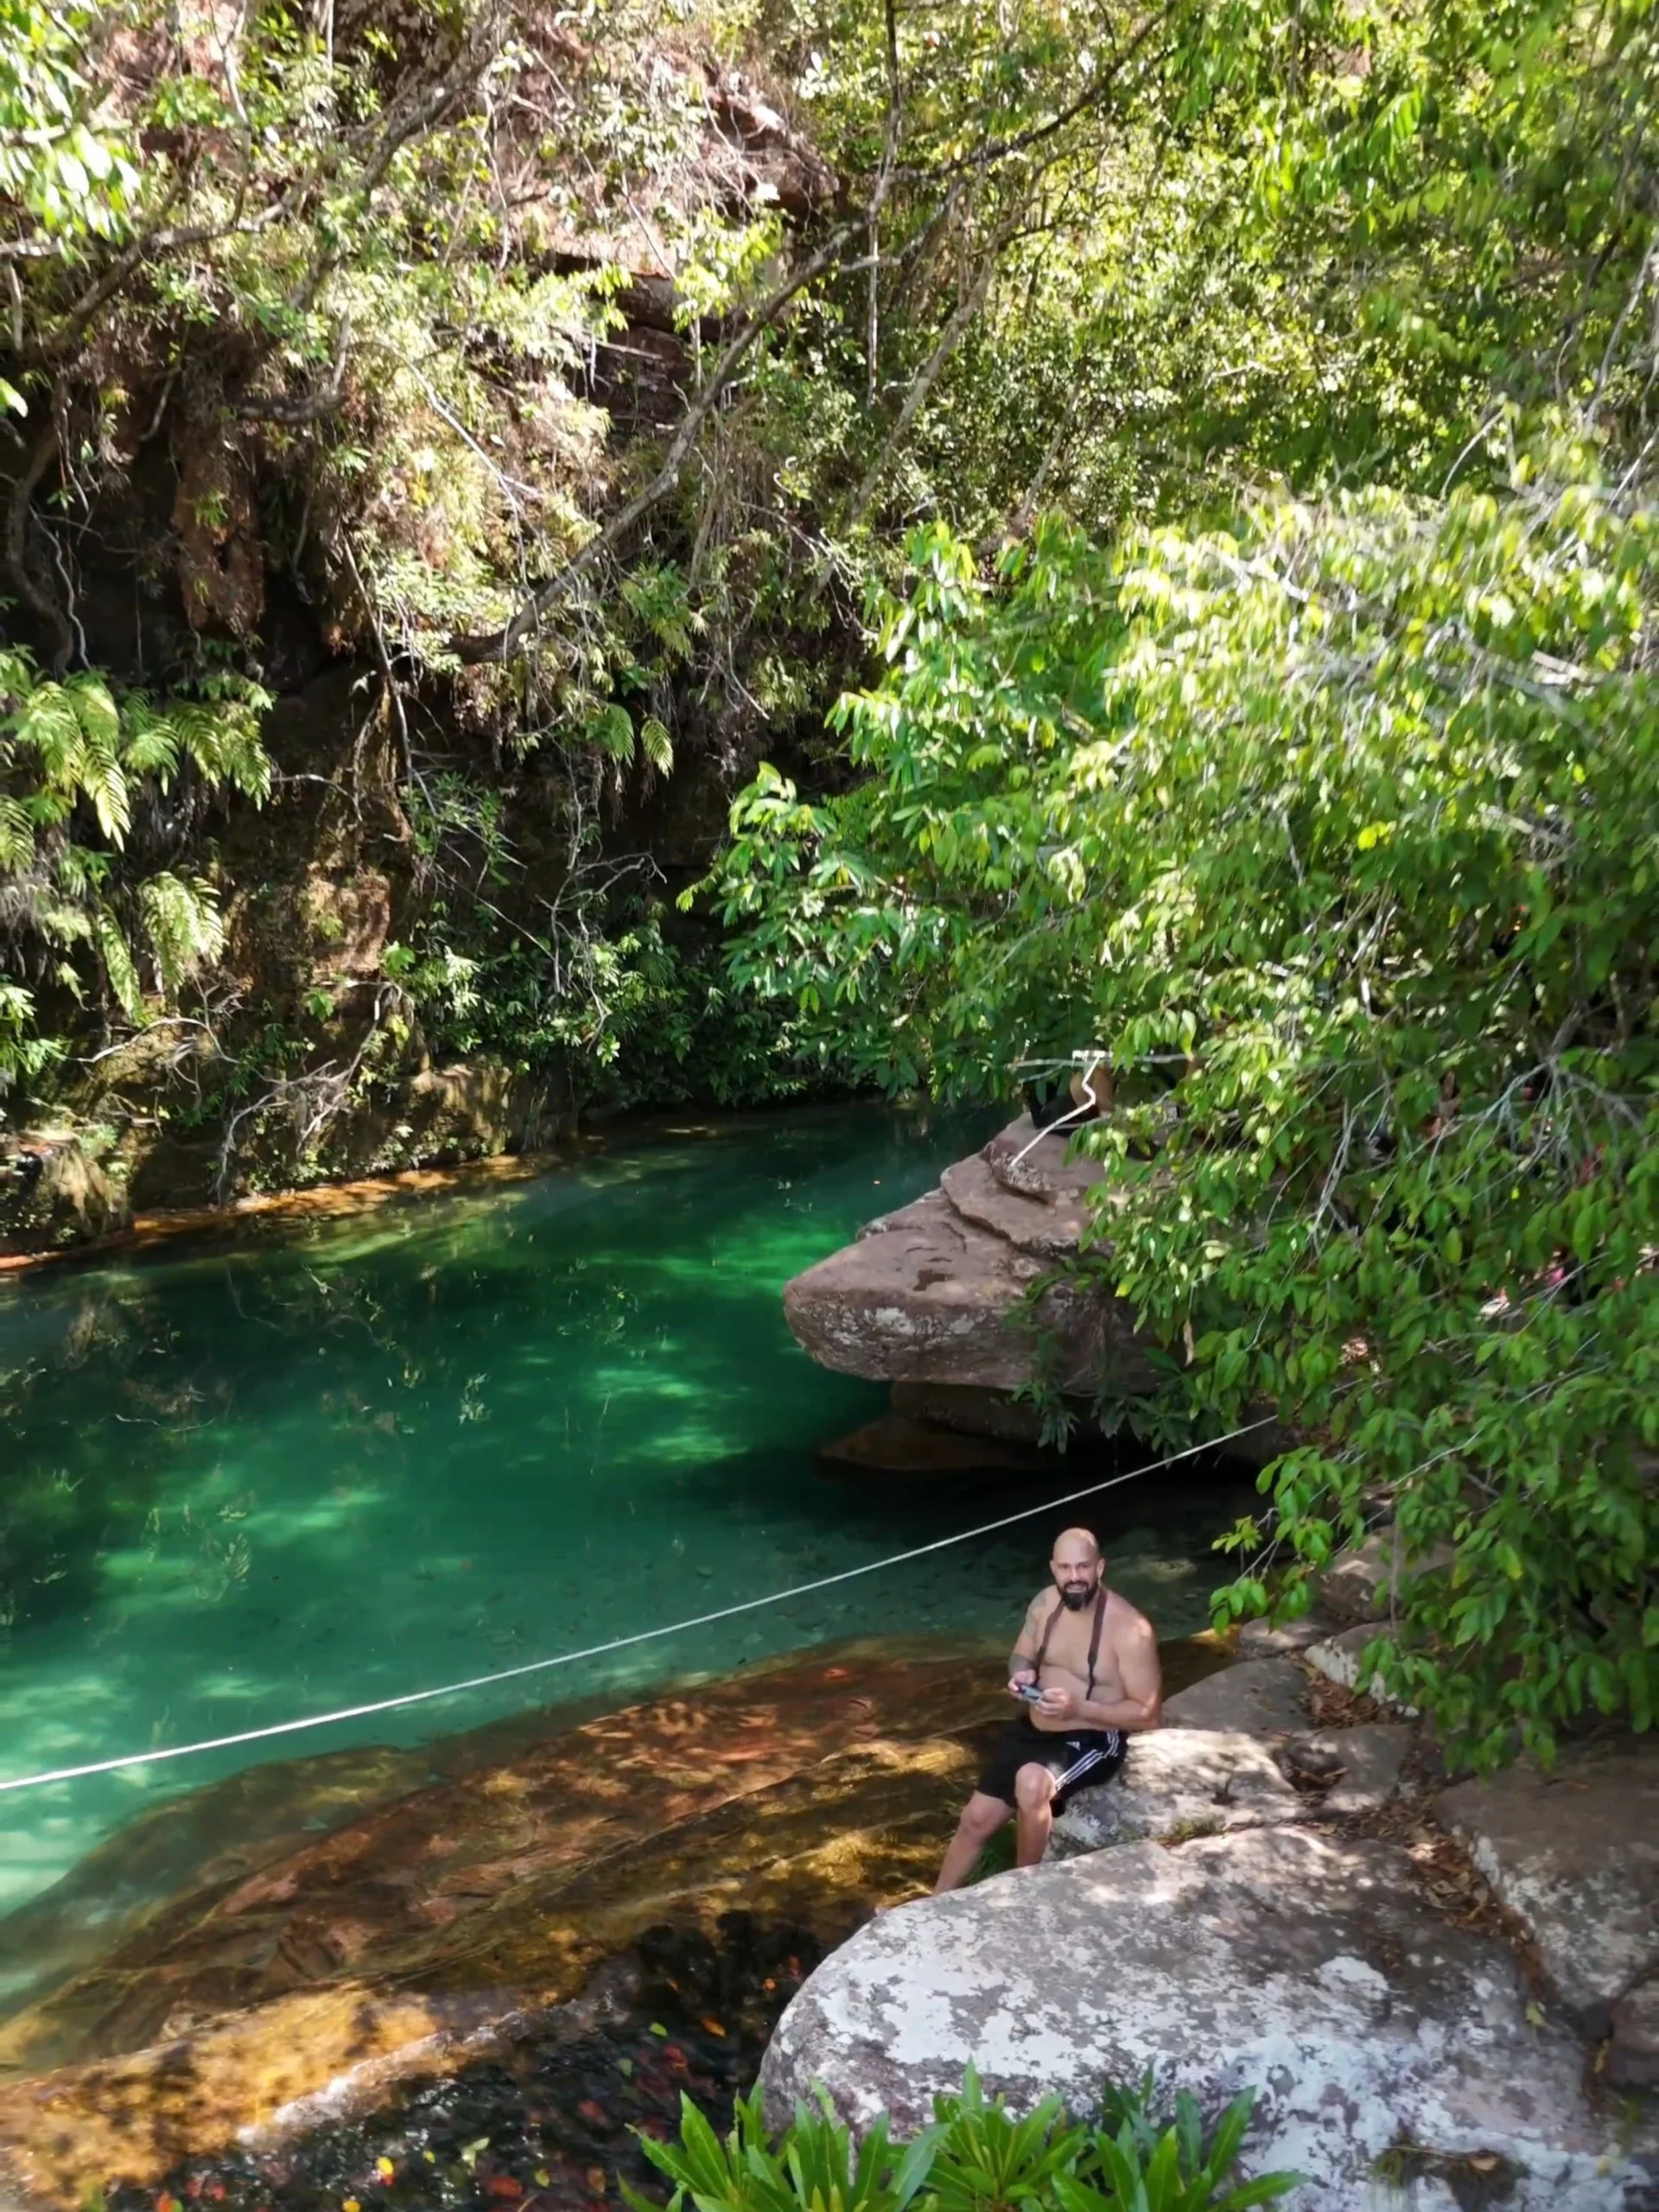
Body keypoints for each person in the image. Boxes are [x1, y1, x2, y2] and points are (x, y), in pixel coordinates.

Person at [934, 1527, 1161, 1891]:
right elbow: (1020, 1654)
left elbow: (1148, 1714)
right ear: (1053, 1569)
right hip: (1034, 1728)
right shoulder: (1043, 1604)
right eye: (1065, 1568)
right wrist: (1020, 1674)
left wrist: (1079, 1708)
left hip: (1093, 1738)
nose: (1074, 1578)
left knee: (1031, 1782)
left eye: (1083, 1567)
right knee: (975, 1820)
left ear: (1100, 1568)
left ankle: (1023, 1892)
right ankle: (932, 1907)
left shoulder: (1129, 1629)